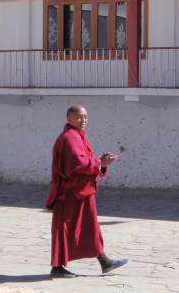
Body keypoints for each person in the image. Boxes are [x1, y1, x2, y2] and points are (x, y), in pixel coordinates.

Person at [46, 104, 128, 278]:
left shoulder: (78, 136)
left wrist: (100, 161)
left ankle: (104, 261)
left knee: (90, 227)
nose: (83, 120)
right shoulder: (69, 138)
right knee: (65, 228)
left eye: (85, 117)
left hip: (81, 191)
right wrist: (100, 163)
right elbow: (78, 164)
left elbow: (86, 160)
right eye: (78, 117)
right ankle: (57, 267)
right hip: (70, 193)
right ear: (69, 118)